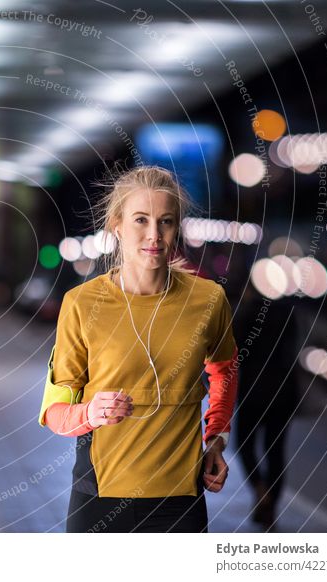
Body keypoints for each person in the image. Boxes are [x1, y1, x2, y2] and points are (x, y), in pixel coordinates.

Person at [37, 166, 238, 533]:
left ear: (178, 227)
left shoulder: (208, 299)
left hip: (180, 499)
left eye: (166, 221)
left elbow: (224, 368)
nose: (153, 235)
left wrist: (216, 439)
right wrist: (90, 413)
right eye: (140, 220)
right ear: (117, 225)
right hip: (99, 497)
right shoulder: (81, 303)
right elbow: (54, 412)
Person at [234, 286, 300, 531]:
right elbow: (293, 350)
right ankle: (270, 505)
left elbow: (236, 351)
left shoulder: (249, 314)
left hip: (254, 390)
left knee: (244, 444)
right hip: (284, 391)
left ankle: (261, 491)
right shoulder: (288, 313)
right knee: (276, 450)